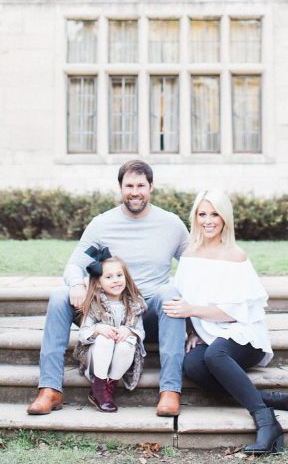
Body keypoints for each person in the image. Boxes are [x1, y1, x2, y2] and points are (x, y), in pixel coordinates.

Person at [26, 159, 189, 417]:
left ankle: (170, 391)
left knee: (170, 293)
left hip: (148, 312)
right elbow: (74, 265)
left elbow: (196, 267)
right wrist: (77, 284)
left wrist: (198, 323)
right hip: (106, 311)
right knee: (59, 295)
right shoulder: (102, 224)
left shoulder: (172, 225)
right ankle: (50, 389)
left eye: (141, 185)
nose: (135, 192)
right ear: (120, 188)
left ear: (151, 187)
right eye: (129, 185)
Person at [164, 189, 288, 456]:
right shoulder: (190, 254)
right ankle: (267, 398)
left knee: (216, 354)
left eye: (214, 214)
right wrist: (192, 330)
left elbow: (237, 312)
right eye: (202, 214)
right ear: (195, 218)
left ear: (225, 218)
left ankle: (266, 421)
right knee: (192, 364)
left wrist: (194, 310)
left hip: (243, 335)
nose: (208, 220)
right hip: (208, 332)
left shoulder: (235, 255)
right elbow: (182, 299)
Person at [74, 247, 147, 413]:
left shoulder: (134, 304)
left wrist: (129, 331)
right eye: (109, 277)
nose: (116, 280)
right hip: (96, 357)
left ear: (126, 278)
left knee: (126, 343)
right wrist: (98, 328)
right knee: (105, 339)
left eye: (119, 275)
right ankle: (99, 387)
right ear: (98, 283)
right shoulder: (94, 304)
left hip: (121, 359)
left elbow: (141, 332)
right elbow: (83, 333)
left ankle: (109, 386)